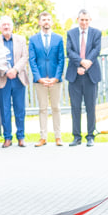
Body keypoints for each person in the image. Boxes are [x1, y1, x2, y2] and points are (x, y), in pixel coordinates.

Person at [0, 16, 30, 148]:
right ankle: (7, 137)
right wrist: (6, 71)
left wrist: (15, 70)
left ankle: (21, 137)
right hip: (2, 79)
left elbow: (25, 57)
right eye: (3, 25)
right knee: (4, 109)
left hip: (18, 78)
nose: (6, 27)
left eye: (8, 25)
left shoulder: (21, 39)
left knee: (20, 109)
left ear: (12, 27)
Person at [65, 10, 102, 147]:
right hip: (75, 75)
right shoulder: (71, 33)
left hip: (91, 76)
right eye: (82, 20)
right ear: (78, 19)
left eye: (87, 20)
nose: (84, 22)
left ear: (90, 20)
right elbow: (69, 51)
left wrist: (86, 65)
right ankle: (76, 136)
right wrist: (80, 63)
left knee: (90, 107)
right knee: (75, 107)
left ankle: (90, 136)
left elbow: (96, 50)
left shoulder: (96, 33)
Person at [28, 11, 65, 146]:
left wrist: (56, 77)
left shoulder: (59, 39)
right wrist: (39, 78)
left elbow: (61, 60)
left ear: (52, 22)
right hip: (40, 80)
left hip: (55, 79)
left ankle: (58, 137)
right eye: (43, 19)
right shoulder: (33, 39)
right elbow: (32, 60)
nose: (46, 22)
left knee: (56, 107)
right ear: (39, 22)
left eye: (48, 19)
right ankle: (43, 137)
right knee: (42, 108)